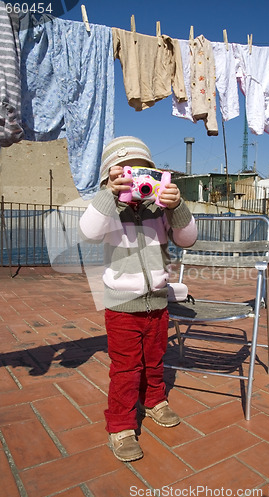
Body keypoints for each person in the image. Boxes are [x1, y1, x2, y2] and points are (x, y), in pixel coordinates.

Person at [79, 136, 197, 462]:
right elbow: (87, 231)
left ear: (155, 176)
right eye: (125, 173)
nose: (136, 180)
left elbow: (188, 239)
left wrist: (177, 206)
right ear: (111, 178)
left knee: (155, 357)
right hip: (121, 306)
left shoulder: (158, 208)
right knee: (126, 367)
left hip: (157, 301)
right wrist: (109, 195)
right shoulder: (107, 208)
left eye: (143, 172)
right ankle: (121, 425)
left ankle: (155, 399)